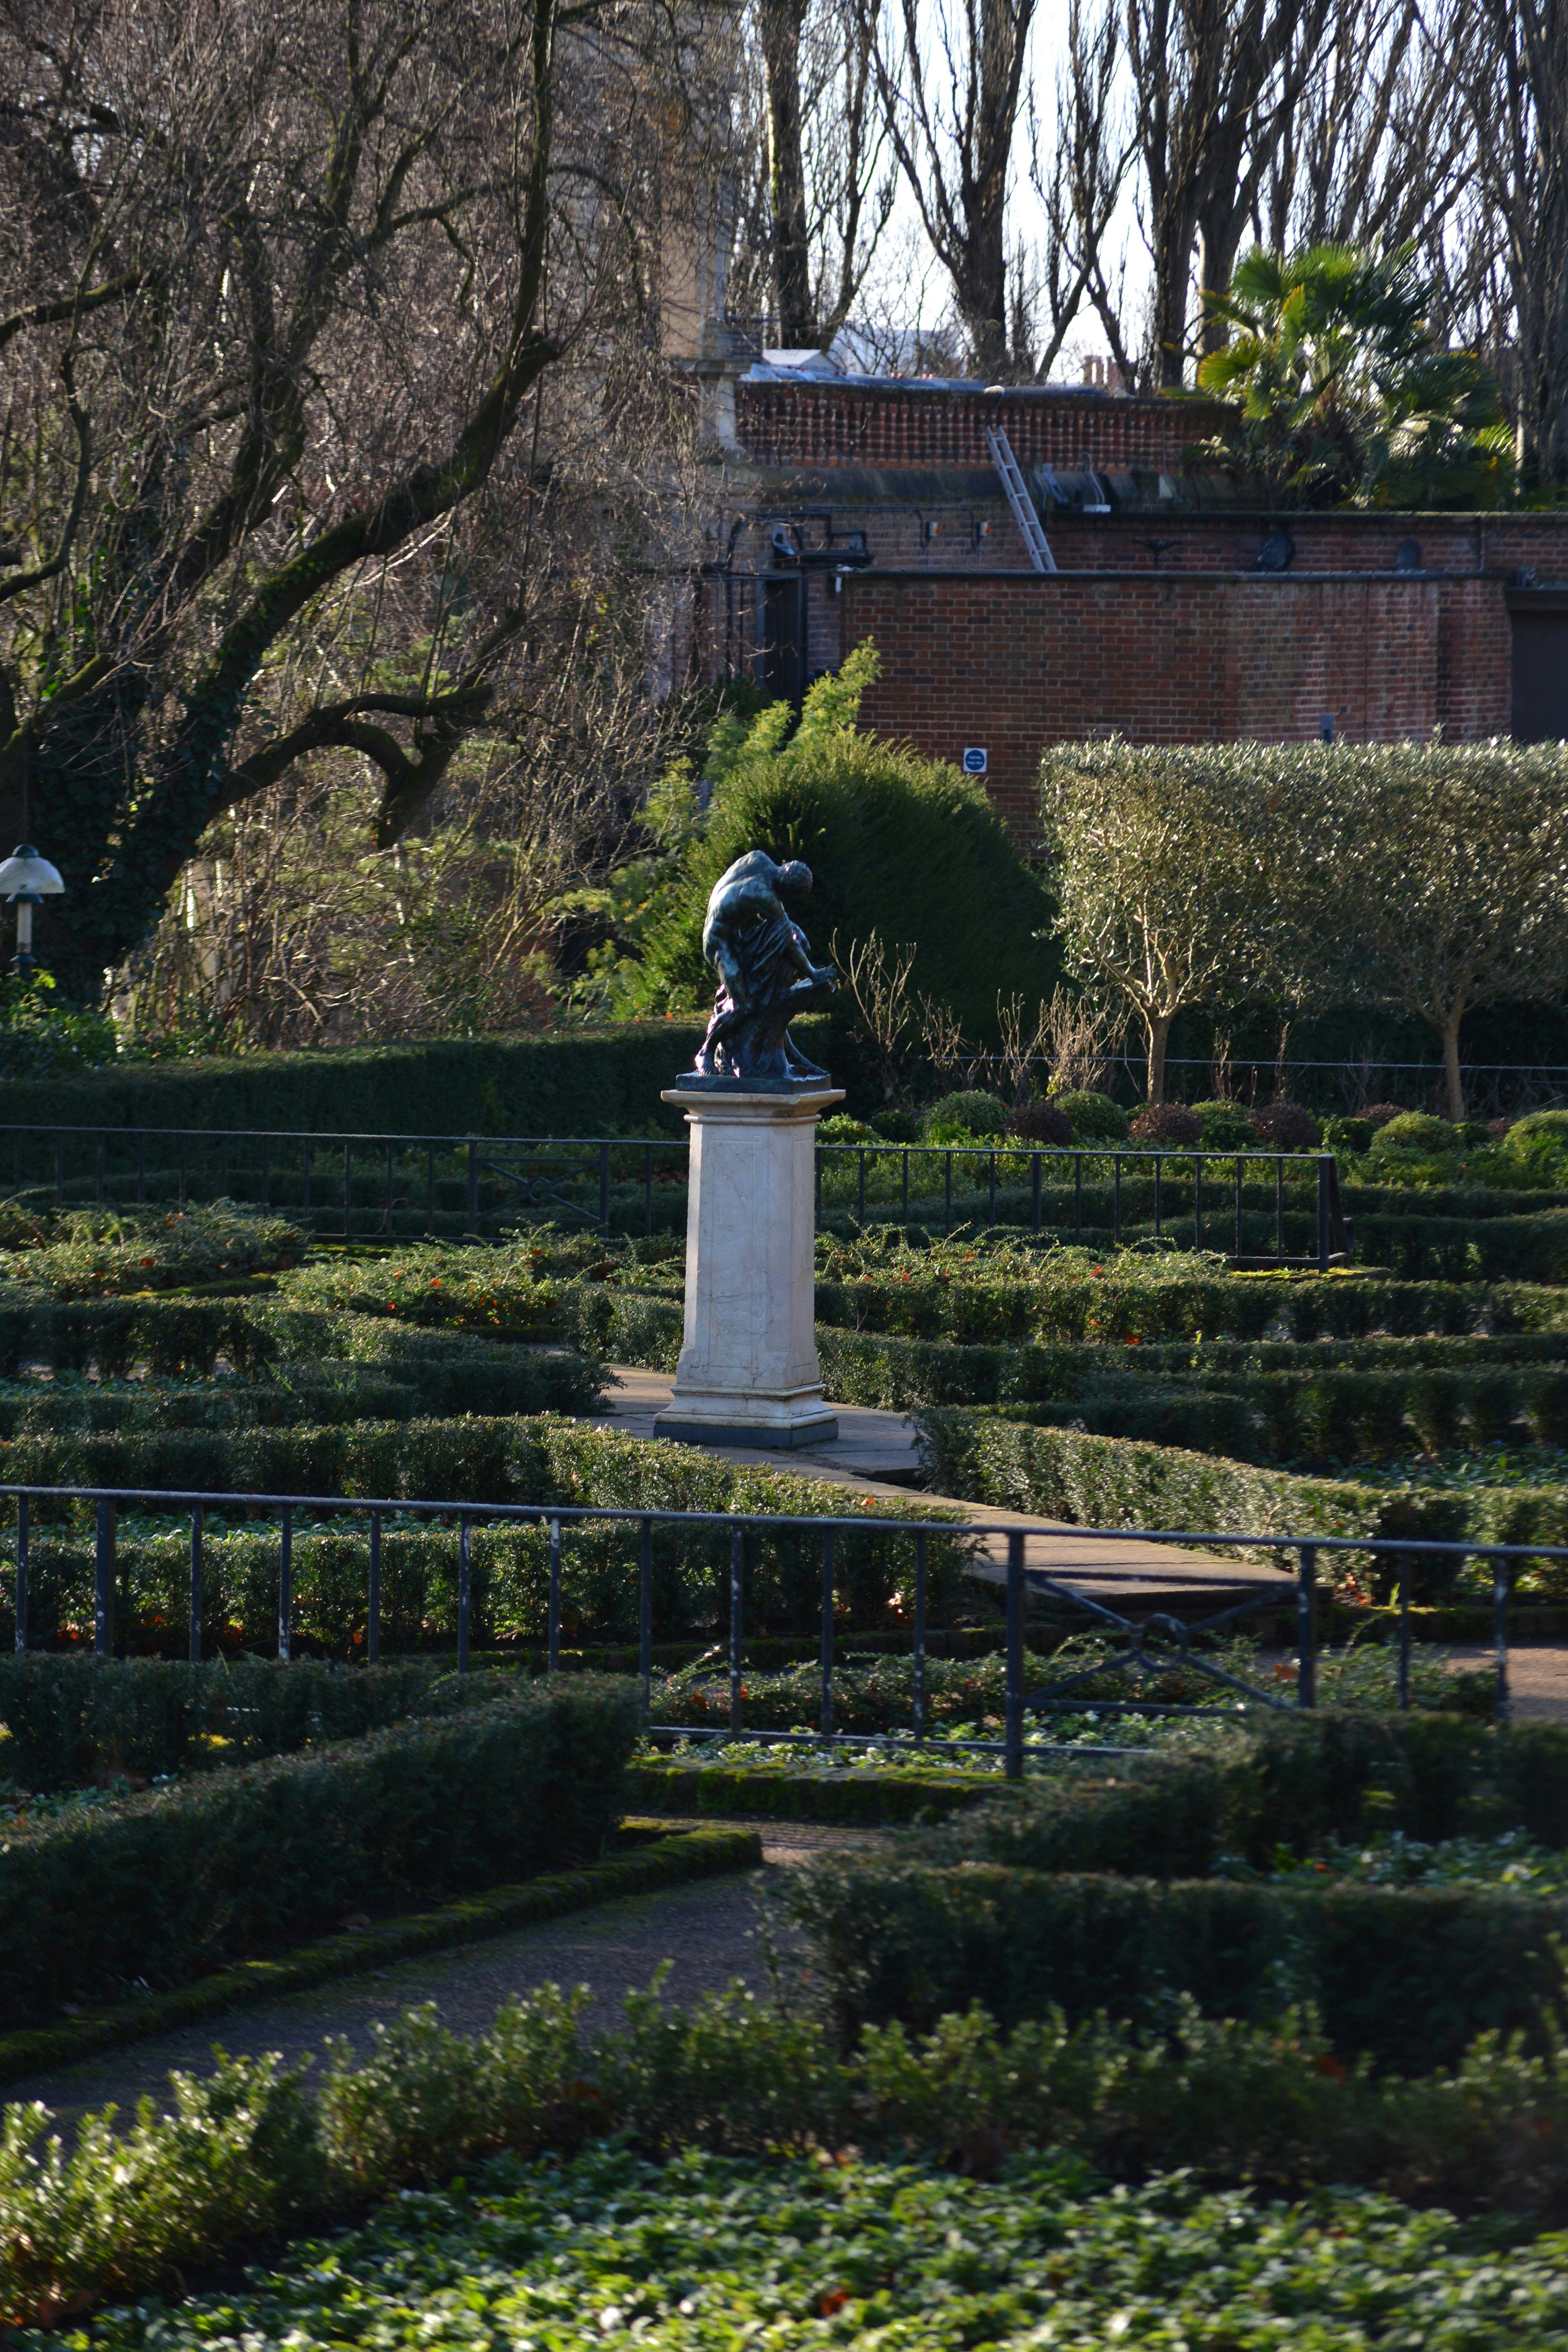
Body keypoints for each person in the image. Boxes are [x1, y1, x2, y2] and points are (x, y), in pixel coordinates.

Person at [693, 850, 836, 1085]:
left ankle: (786, 1057)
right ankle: (706, 1051)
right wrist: (813, 973)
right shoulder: (766, 897)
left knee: (769, 995)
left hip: (734, 937)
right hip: (720, 946)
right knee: (746, 1006)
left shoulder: (759, 858)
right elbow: (789, 943)